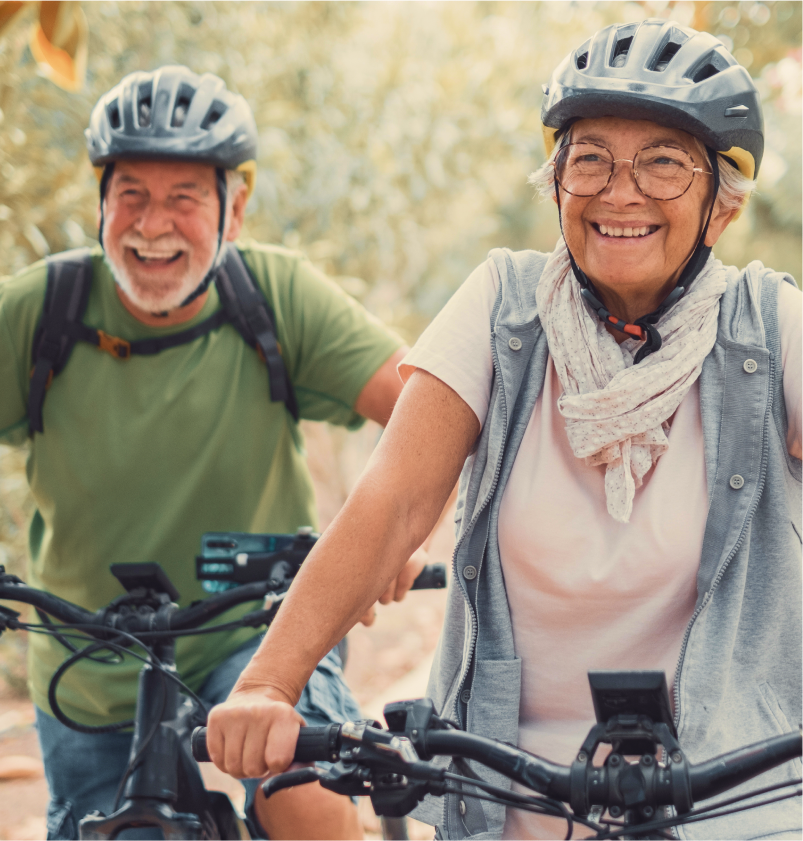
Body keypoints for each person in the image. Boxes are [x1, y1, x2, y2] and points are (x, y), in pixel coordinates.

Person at [206, 19, 803, 841]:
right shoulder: (502, 308)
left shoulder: (769, 327)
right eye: (589, 157)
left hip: (733, 799)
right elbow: (391, 503)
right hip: (517, 797)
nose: (618, 191)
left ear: (719, 207)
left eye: (664, 162)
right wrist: (269, 684)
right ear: (556, 182)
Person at [0, 65, 426, 841]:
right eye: (131, 193)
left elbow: (426, 403)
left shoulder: (271, 295)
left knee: (301, 794)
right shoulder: (42, 311)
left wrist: (402, 527)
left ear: (234, 209)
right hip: (87, 661)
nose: (151, 224)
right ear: (101, 201)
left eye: (183, 198)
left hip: (254, 631)